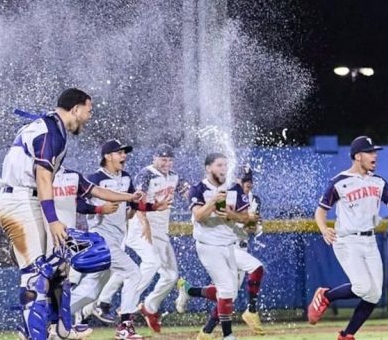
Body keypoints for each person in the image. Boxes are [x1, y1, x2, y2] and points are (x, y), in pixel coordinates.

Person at [0, 88, 92, 340]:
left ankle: (60, 328)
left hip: (24, 200)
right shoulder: (51, 130)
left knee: (60, 265)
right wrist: (53, 219)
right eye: (88, 110)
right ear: (76, 109)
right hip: (20, 200)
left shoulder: (51, 126)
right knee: (35, 277)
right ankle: (33, 334)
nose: (89, 117)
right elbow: (42, 176)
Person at [307, 136, 388, 340]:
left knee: (375, 294)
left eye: (375, 151)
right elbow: (320, 211)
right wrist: (324, 229)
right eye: (370, 152)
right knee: (362, 287)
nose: (375, 155)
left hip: (369, 241)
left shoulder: (379, 182)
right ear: (358, 156)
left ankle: (347, 335)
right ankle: (326, 296)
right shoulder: (339, 182)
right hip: (347, 240)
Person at [70, 140, 167, 340]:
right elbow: (76, 203)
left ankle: (51, 315)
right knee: (133, 273)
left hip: (116, 238)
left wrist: (152, 207)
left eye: (124, 152)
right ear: (107, 156)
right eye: (119, 152)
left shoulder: (125, 177)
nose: (124, 156)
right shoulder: (95, 178)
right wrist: (98, 209)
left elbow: (133, 203)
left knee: (91, 291)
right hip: (100, 239)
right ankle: (124, 326)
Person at [93, 143, 187, 334]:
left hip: (161, 232)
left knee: (169, 275)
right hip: (141, 229)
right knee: (149, 264)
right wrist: (144, 222)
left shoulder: (174, 176)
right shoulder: (147, 174)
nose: (166, 163)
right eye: (163, 159)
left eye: (169, 159)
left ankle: (148, 307)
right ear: (154, 158)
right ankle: (126, 307)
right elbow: (138, 201)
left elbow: (189, 192)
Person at [176, 165, 266, 335]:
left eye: (250, 180)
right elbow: (210, 217)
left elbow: (254, 227)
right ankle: (251, 311)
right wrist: (241, 219)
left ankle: (204, 326)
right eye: (243, 179)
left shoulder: (254, 200)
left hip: (241, 246)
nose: (248, 183)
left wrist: (251, 224)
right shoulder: (225, 194)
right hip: (225, 246)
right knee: (256, 268)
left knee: (228, 295)